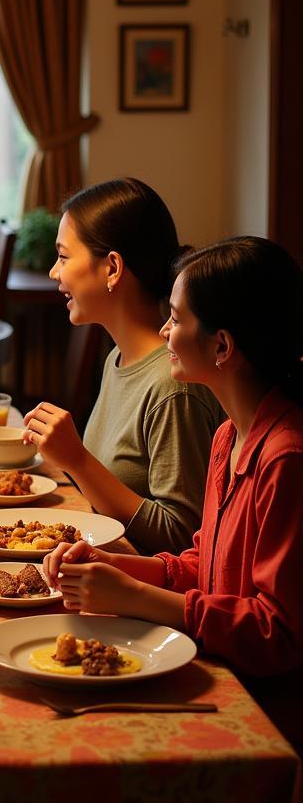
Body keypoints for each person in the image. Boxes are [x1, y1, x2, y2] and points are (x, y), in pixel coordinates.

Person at [42, 237, 303, 747]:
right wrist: (116, 566)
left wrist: (139, 598)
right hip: (213, 668)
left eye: (177, 319)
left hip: (262, 716)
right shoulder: (230, 435)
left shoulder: (285, 458)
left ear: (222, 346)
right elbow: (203, 565)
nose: (163, 331)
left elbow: (280, 635)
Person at [22, 178, 223, 554]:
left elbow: (183, 539)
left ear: (112, 267)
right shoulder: (117, 358)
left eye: (64, 257)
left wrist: (77, 461)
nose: (54, 272)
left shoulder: (173, 384)